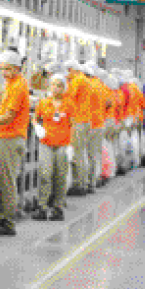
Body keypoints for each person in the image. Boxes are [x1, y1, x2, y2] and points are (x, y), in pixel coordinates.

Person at [0, 48, 29, 236]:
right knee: (1, 181)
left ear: (17, 68)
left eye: (8, 69)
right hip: (7, 137)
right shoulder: (11, 84)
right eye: (2, 69)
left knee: (6, 182)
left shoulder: (18, 86)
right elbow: (5, 110)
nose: (4, 73)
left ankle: (8, 223)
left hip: (11, 138)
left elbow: (8, 117)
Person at [32, 74, 74, 221]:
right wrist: (37, 127)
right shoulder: (43, 103)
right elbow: (35, 118)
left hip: (62, 145)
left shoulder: (69, 104)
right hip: (46, 143)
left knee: (60, 176)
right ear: (49, 87)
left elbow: (73, 124)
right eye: (54, 85)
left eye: (60, 85)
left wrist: (71, 146)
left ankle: (57, 207)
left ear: (64, 88)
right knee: (45, 174)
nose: (56, 88)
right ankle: (42, 206)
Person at [64, 60, 92, 196]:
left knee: (77, 153)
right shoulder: (85, 80)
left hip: (79, 121)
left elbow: (68, 97)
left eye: (68, 71)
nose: (67, 74)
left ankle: (80, 184)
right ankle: (82, 182)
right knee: (82, 153)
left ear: (73, 70)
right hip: (86, 120)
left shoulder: (77, 80)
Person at [85, 63, 108, 190]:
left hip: (90, 124)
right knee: (95, 155)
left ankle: (86, 181)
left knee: (86, 155)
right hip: (100, 123)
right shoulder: (102, 86)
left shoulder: (88, 85)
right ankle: (94, 181)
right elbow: (108, 103)